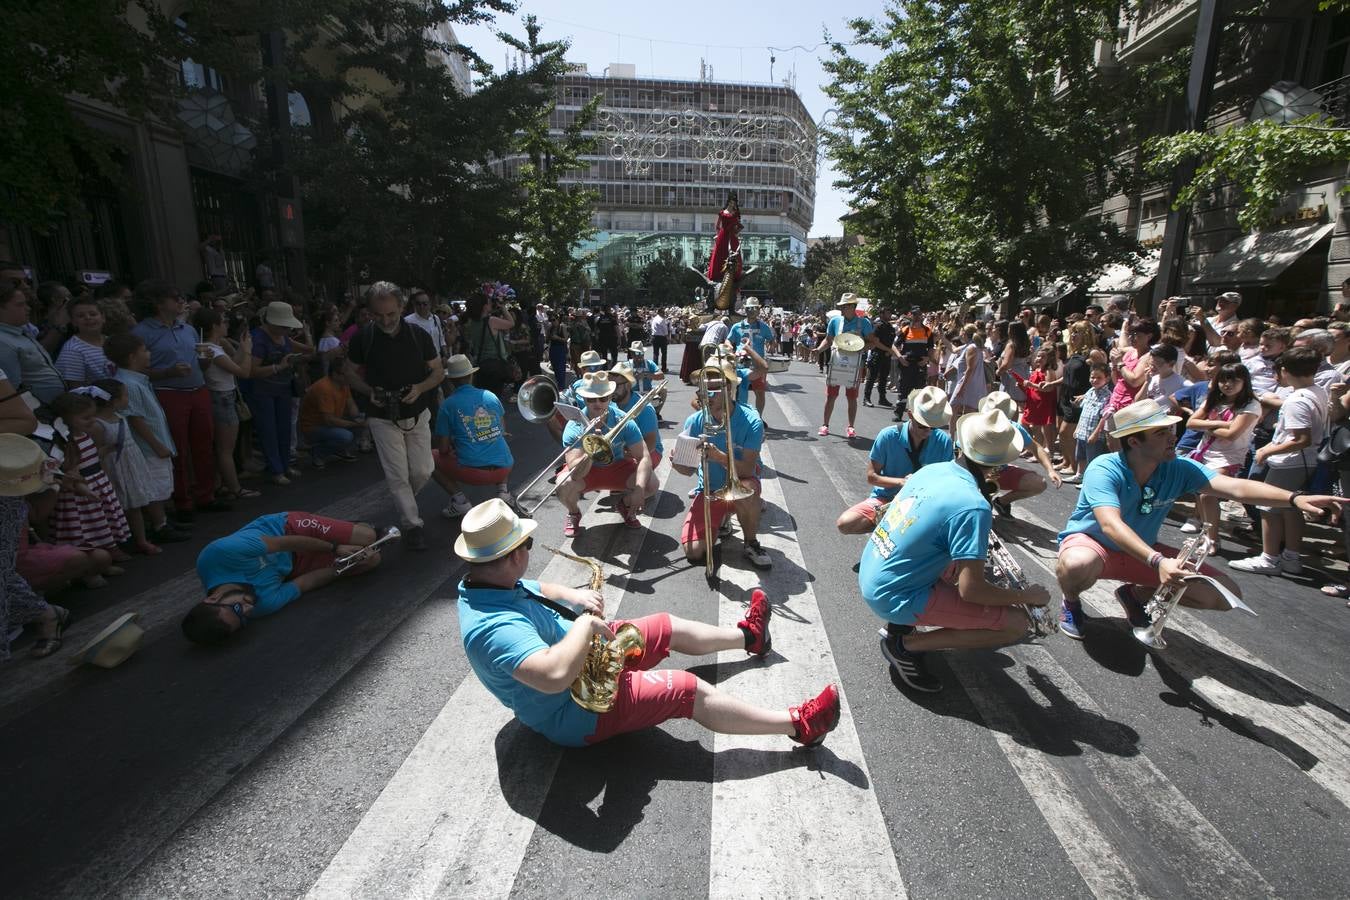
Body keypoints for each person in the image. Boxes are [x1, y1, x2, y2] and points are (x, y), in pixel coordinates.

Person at [453, 498, 840, 747]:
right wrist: (586, 628)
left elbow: (538, 587)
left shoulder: (490, 581)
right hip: (574, 708)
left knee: (665, 624)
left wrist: (573, 597)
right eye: (528, 546)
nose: (528, 554)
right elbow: (552, 675)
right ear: (511, 556)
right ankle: (798, 725)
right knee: (687, 688)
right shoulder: (494, 628)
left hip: (585, 660)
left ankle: (749, 637)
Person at [1055, 398, 1345, 640]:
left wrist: (1294, 498)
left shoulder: (1180, 468)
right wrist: (1158, 561)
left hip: (1143, 553)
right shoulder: (1104, 468)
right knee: (1078, 564)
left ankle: (1136, 595)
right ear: (1134, 441)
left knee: (1224, 595)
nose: (1173, 436)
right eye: (1161, 433)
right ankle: (1071, 602)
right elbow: (1110, 524)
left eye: (1171, 428)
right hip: (1095, 547)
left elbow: (1237, 488)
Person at [862, 409, 1049, 693]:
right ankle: (903, 645)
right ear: (998, 466)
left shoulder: (932, 470)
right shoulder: (973, 505)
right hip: (892, 594)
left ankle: (901, 626)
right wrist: (1027, 596)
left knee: (951, 563)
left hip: (874, 570)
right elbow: (971, 591)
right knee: (1017, 623)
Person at [181, 512, 388, 645]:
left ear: (212, 599)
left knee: (368, 537)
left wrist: (335, 548)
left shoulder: (217, 555)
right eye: (243, 619)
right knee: (371, 560)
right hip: (293, 566)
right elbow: (306, 582)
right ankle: (347, 536)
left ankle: (351, 527)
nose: (248, 610)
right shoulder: (260, 607)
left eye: (237, 609)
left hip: (286, 530)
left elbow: (284, 543)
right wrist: (343, 565)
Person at [345, 282, 444, 551]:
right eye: (378, 315)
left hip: (418, 413)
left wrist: (420, 388)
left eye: (391, 314)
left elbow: (438, 371)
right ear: (370, 312)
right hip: (381, 416)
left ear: (401, 308)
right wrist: (368, 391)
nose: (385, 320)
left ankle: (404, 503)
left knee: (423, 470)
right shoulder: (362, 338)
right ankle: (413, 524)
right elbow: (349, 372)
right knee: (397, 476)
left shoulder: (419, 336)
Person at [131, 279, 225, 519]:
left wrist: (204, 358)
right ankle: (182, 500)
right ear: (159, 303)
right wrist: (167, 373)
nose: (182, 302)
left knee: (204, 443)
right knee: (178, 447)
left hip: (198, 389)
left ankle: (206, 494)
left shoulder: (189, 329)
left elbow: (200, 362)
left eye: (182, 298)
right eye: (176, 298)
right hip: (169, 393)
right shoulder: (142, 332)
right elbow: (135, 370)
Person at [1231, 348, 1329, 576]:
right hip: (1304, 460)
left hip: (1289, 462)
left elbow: (1301, 439)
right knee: (1291, 507)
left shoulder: (1296, 400)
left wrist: (1267, 450)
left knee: (1268, 508)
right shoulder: (1317, 392)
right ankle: (1291, 557)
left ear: (1284, 370)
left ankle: (1270, 558)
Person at [673, 365, 771, 569]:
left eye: (713, 389)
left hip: (742, 483)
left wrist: (718, 457)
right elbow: (687, 471)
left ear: (729, 389)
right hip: (710, 489)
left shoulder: (751, 420)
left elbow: (746, 470)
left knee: (747, 490)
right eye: (702, 390)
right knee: (694, 552)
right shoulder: (694, 421)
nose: (706, 396)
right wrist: (676, 462)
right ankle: (722, 518)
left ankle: (751, 543)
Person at [106, 333, 191, 544]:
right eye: (144, 350)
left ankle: (162, 520)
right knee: (153, 486)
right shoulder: (128, 384)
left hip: (155, 442)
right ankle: (159, 525)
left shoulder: (136, 380)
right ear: (132, 356)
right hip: (147, 447)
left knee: (160, 484)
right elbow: (136, 418)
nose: (148, 353)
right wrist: (156, 444)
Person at [836, 386, 954, 535]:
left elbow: (947, 482)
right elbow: (872, 477)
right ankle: (887, 528)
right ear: (910, 415)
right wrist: (901, 482)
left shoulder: (943, 441)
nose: (928, 432)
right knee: (845, 523)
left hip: (925, 503)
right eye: (923, 426)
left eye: (934, 427)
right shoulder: (888, 436)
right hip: (888, 500)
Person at [556, 372, 651, 536]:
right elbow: (576, 473)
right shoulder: (574, 426)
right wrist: (592, 449)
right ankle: (573, 512)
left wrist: (639, 490)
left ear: (610, 397)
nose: (597, 403)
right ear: (584, 399)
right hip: (587, 473)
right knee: (563, 484)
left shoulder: (623, 420)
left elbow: (644, 456)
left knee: (651, 483)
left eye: (602, 398)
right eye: (591, 399)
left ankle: (625, 505)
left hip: (617, 467)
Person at [1180, 362, 1260, 549]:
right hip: (1205, 452)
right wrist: (1222, 425)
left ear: (1244, 382)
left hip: (1228, 456)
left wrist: (1208, 424)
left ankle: (1212, 539)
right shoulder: (1216, 399)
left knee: (1208, 493)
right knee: (1202, 493)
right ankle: (1205, 531)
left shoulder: (1251, 405)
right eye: (1223, 380)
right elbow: (1191, 423)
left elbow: (1233, 434)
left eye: (1234, 380)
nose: (1227, 385)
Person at [432, 354, 514, 518]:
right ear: (471, 375)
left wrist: (458, 444)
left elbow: (442, 449)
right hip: (504, 467)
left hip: (474, 473)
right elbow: (502, 431)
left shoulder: (448, 405)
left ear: (450, 380)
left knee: (429, 457)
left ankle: (461, 502)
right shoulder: (490, 396)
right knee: (498, 442)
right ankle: (503, 491)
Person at [979, 391, 1062, 516]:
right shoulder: (973, 425)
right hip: (973, 472)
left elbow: (1037, 448)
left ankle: (1001, 502)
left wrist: (1050, 470)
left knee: (1039, 483)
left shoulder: (1015, 428)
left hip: (998, 472)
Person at [818, 294, 890, 438]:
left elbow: (872, 342)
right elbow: (828, 339)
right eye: (842, 306)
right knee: (831, 395)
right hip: (837, 362)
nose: (842, 309)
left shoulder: (863, 323)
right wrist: (818, 349)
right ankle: (825, 425)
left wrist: (862, 348)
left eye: (845, 306)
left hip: (855, 365)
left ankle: (851, 427)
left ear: (852, 307)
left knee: (852, 397)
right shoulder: (835, 322)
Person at [0, 282, 66, 406]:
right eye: (20, 304)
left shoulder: (20, 331)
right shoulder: (2, 341)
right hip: (38, 411)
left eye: (26, 303)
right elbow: (13, 388)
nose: (28, 308)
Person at [298, 365, 362, 469]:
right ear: (335, 374)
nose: (350, 377)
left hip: (329, 422)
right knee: (346, 436)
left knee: (363, 422)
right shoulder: (324, 388)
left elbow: (351, 404)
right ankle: (317, 453)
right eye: (346, 375)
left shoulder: (343, 384)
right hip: (313, 427)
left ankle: (339, 449)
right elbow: (329, 420)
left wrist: (358, 417)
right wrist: (356, 423)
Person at [728, 298, 775, 416]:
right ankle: (740, 416)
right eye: (749, 308)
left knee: (759, 392)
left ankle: (758, 417)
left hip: (758, 365)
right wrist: (729, 349)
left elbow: (771, 340)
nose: (752, 311)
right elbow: (728, 340)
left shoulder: (764, 327)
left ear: (759, 310)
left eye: (754, 308)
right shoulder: (737, 326)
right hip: (740, 364)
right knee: (738, 391)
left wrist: (771, 347)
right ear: (745, 309)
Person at [54, 296, 115, 386]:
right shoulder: (72, 351)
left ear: (103, 318)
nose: (88, 318)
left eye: (93, 314)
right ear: (74, 322)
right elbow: (76, 389)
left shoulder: (113, 341)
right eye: (80, 316)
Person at [1070, 362, 1113, 481]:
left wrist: (1096, 433)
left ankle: (1090, 479)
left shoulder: (1108, 396)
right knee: (1080, 455)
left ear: (1107, 378)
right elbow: (1084, 412)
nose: (1094, 380)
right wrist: (1078, 428)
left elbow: (1104, 417)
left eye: (1099, 377)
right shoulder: (1090, 392)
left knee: (1092, 457)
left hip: (1094, 434)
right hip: (1083, 431)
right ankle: (1080, 475)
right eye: (1092, 377)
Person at [892, 308, 934, 420]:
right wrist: (900, 358)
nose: (917, 317)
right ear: (911, 316)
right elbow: (894, 345)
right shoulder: (905, 329)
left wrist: (927, 359)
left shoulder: (927, 331)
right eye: (914, 315)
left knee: (919, 390)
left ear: (922, 316)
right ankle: (898, 414)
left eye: (919, 315)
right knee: (903, 389)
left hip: (920, 364)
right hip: (906, 364)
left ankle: (917, 416)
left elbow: (931, 348)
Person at [862, 312, 896, 409]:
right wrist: (888, 350)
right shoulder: (877, 326)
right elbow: (875, 342)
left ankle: (882, 398)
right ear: (881, 314)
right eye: (887, 313)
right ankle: (866, 398)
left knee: (883, 378)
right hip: (877, 355)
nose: (889, 315)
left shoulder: (891, 327)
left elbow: (891, 343)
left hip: (887, 356)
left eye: (890, 313)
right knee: (872, 378)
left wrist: (890, 351)